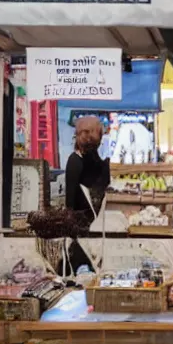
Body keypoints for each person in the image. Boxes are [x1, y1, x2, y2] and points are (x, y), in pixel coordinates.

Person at [63, 116, 110, 274]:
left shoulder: (75, 161)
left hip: (82, 236)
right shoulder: (102, 165)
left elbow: (70, 204)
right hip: (98, 234)